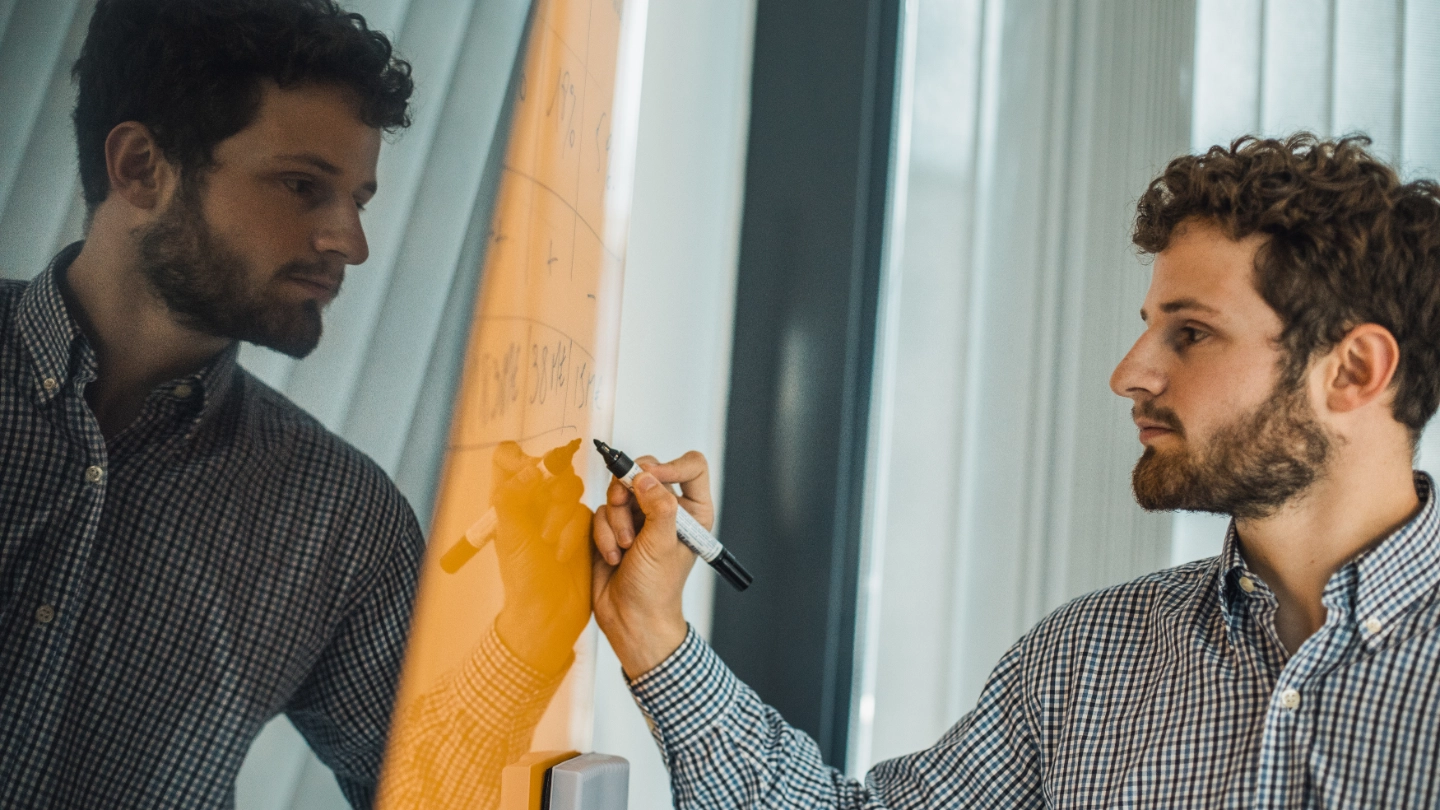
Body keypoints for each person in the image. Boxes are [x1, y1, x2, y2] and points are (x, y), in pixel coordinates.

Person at [591, 133, 1440, 808]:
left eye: (1192, 332)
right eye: (1150, 325)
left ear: (1355, 371)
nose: (1129, 373)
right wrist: (652, 633)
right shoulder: (1087, 661)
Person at [0, 1, 588, 807]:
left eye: (360, 199)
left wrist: (528, 633)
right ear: (140, 166)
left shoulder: (340, 522)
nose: (350, 242)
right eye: (302, 185)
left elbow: (428, 791)